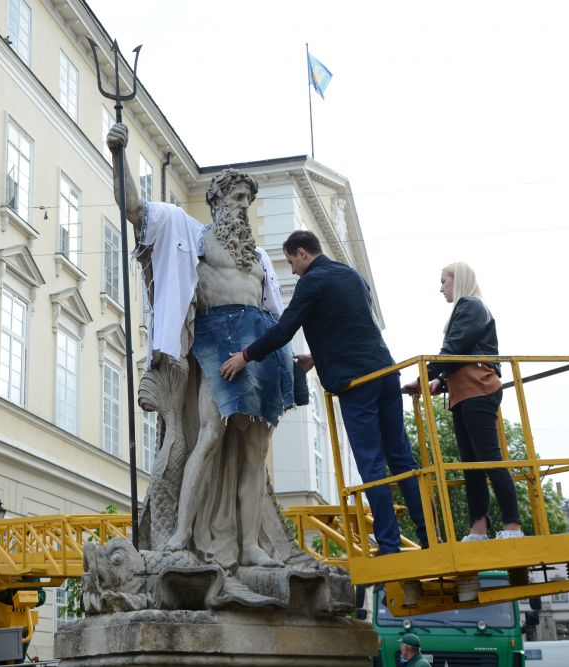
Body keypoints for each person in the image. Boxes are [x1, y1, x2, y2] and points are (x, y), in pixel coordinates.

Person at [106, 122, 301, 568]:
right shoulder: (189, 234)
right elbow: (135, 209)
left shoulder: (261, 260)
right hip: (215, 343)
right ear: (215, 201)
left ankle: (249, 544)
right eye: (236, 199)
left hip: (259, 350)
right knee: (209, 436)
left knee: (255, 453)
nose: (244, 207)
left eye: (248, 201)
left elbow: (275, 315)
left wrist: (295, 359)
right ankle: (179, 533)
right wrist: (119, 154)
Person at [220, 230, 428, 554]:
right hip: (386, 373)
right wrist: (318, 358)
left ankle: (389, 545)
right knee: (402, 460)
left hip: (357, 384)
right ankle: (429, 538)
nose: (291, 270)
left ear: (302, 253)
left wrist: (244, 356)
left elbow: (284, 329)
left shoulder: (311, 282)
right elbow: (352, 326)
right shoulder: (352, 276)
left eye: (291, 262)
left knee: (372, 464)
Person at [402, 262, 523, 542]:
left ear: (460, 280)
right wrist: (440, 382)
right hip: (463, 391)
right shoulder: (467, 309)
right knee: (471, 464)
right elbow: (461, 353)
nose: (441, 287)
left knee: (489, 458)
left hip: (477, 387)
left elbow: (454, 347)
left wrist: (424, 376)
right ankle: (478, 529)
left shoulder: (470, 304)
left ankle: (513, 526)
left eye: (444, 281)